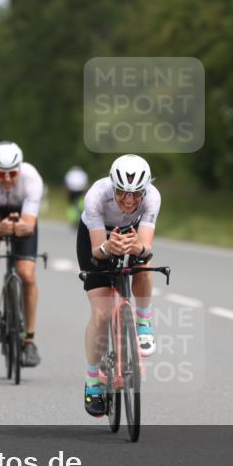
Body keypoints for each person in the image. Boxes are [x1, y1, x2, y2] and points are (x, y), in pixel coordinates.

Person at [77, 154, 160, 417]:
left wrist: (138, 248)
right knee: (101, 314)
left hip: (130, 232)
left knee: (144, 265)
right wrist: (107, 247)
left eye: (136, 194)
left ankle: (143, 321)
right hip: (97, 236)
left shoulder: (153, 197)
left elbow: (146, 246)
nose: (129, 200)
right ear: (113, 186)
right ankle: (92, 381)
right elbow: (96, 251)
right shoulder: (96, 196)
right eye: (123, 192)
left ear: (145, 190)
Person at [0, 141, 44, 367]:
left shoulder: (32, 179)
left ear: (20, 169)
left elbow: (29, 226)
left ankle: (29, 340)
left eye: (12, 173)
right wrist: (0, 228)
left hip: (22, 213)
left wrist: (20, 227)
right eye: (0, 173)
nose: (6, 178)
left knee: (27, 275)